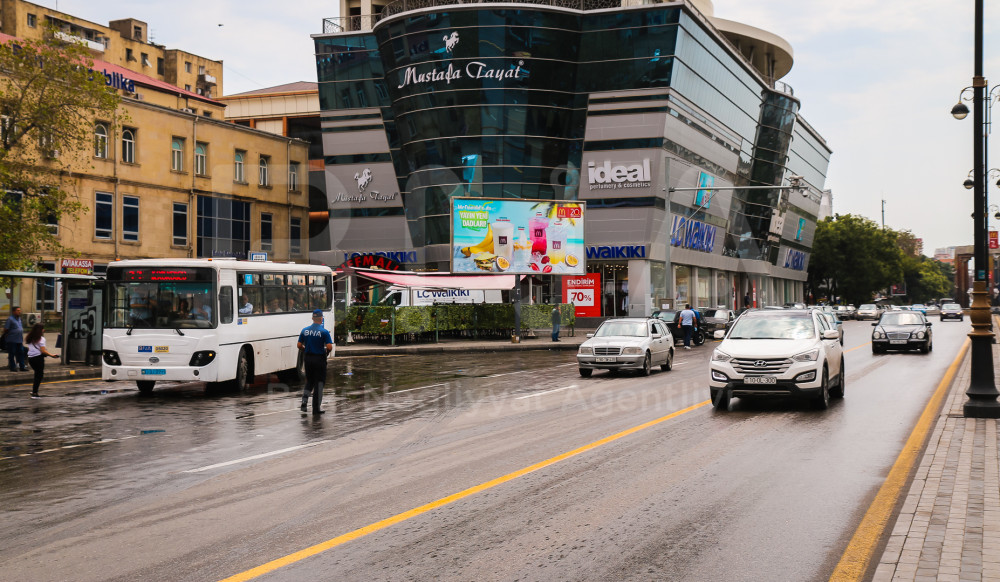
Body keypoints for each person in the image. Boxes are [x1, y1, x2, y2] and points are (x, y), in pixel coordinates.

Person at [297, 309, 333, 414]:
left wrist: (306, 349)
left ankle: (304, 402)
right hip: (319, 359)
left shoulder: (305, 330)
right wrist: (326, 352)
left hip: (308, 358)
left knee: (310, 381)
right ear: (321, 319)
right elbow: (329, 346)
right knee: (319, 383)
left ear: (313, 318)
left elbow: (299, 345)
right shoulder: (324, 332)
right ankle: (316, 408)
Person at [24, 323, 58, 398]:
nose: (44, 330)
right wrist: (52, 355)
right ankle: (34, 393)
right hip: (38, 358)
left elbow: (30, 348)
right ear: (40, 330)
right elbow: (43, 351)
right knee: (39, 375)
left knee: (37, 374)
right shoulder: (41, 339)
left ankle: (34, 391)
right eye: (43, 329)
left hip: (30, 358)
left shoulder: (30, 337)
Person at [5, 306, 26, 372]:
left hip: (19, 340)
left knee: (21, 353)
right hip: (12, 340)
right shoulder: (10, 319)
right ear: (13, 311)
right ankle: (12, 367)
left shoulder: (19, 318)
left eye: (20, 310)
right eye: (17, 310)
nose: (19, 312)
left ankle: (22, 367)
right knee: (12, 354)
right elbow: (6, 329)